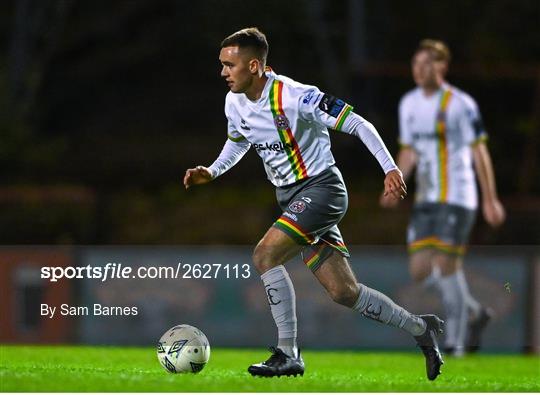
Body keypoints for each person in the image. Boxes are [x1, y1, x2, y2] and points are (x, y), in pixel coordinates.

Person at [184, 27, 444, 380]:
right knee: (344, 292)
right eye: (222, 65)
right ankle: (420, 329)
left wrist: (390, 168)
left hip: (322, 190)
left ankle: (288, 352)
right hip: (292, 197)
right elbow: (238, 141)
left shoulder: (297, 96)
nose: (223, 72)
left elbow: (359, 124)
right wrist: (212, 172)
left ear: (255, 66)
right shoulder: (234, 102)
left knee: (265, 255)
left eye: (230, 65)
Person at [380, 39, 506, 356]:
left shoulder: (461, 104)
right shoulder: (408, 104)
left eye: (427, 63)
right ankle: (475, 312)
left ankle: (457, 343)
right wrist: (396, 179)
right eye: (416, 64)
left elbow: (480, 151)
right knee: (420, 270)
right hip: (427, 199)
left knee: (446, 264)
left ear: (442, 67)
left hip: (459, 196)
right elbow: (409, 150)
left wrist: (490, 198)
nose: (420, 70)